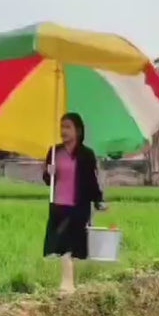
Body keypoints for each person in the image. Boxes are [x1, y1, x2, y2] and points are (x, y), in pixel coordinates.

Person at [43, 112, 106, 294]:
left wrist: (98, 200)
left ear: (78, 130)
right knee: (62, 245)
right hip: (58, 205)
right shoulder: (54, 152)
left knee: (74, 247)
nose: (64, 131)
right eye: (62, 127)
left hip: (78, 206)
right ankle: (66, 284)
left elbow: (92, 181)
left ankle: (71, 283)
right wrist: (49, 172)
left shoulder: (86, 155)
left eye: (68, 127)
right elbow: (48, 181)